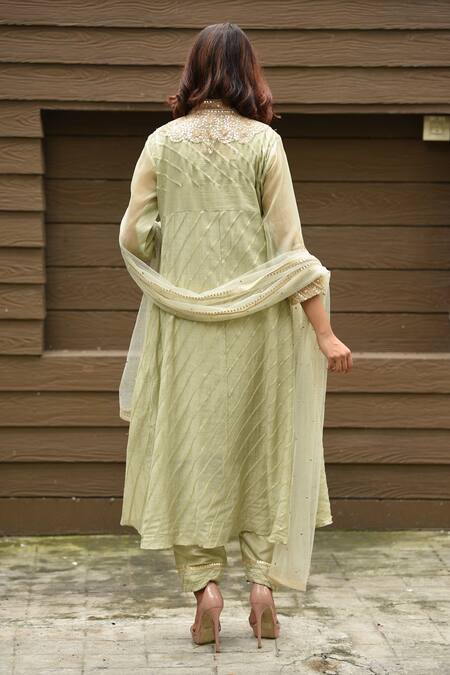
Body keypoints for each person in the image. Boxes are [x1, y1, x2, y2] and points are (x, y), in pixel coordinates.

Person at [118, 22, 352, 652]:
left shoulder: (162, 142)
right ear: (249, 71)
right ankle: (262, 587)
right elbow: (291, 248)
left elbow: (134, 233)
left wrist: (176, 246)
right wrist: (325, 333)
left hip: (185, 326)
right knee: (265, 447)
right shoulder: (264, 144)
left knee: (189, 448)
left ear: (193, 72)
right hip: (260, 327)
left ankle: (205, 589)